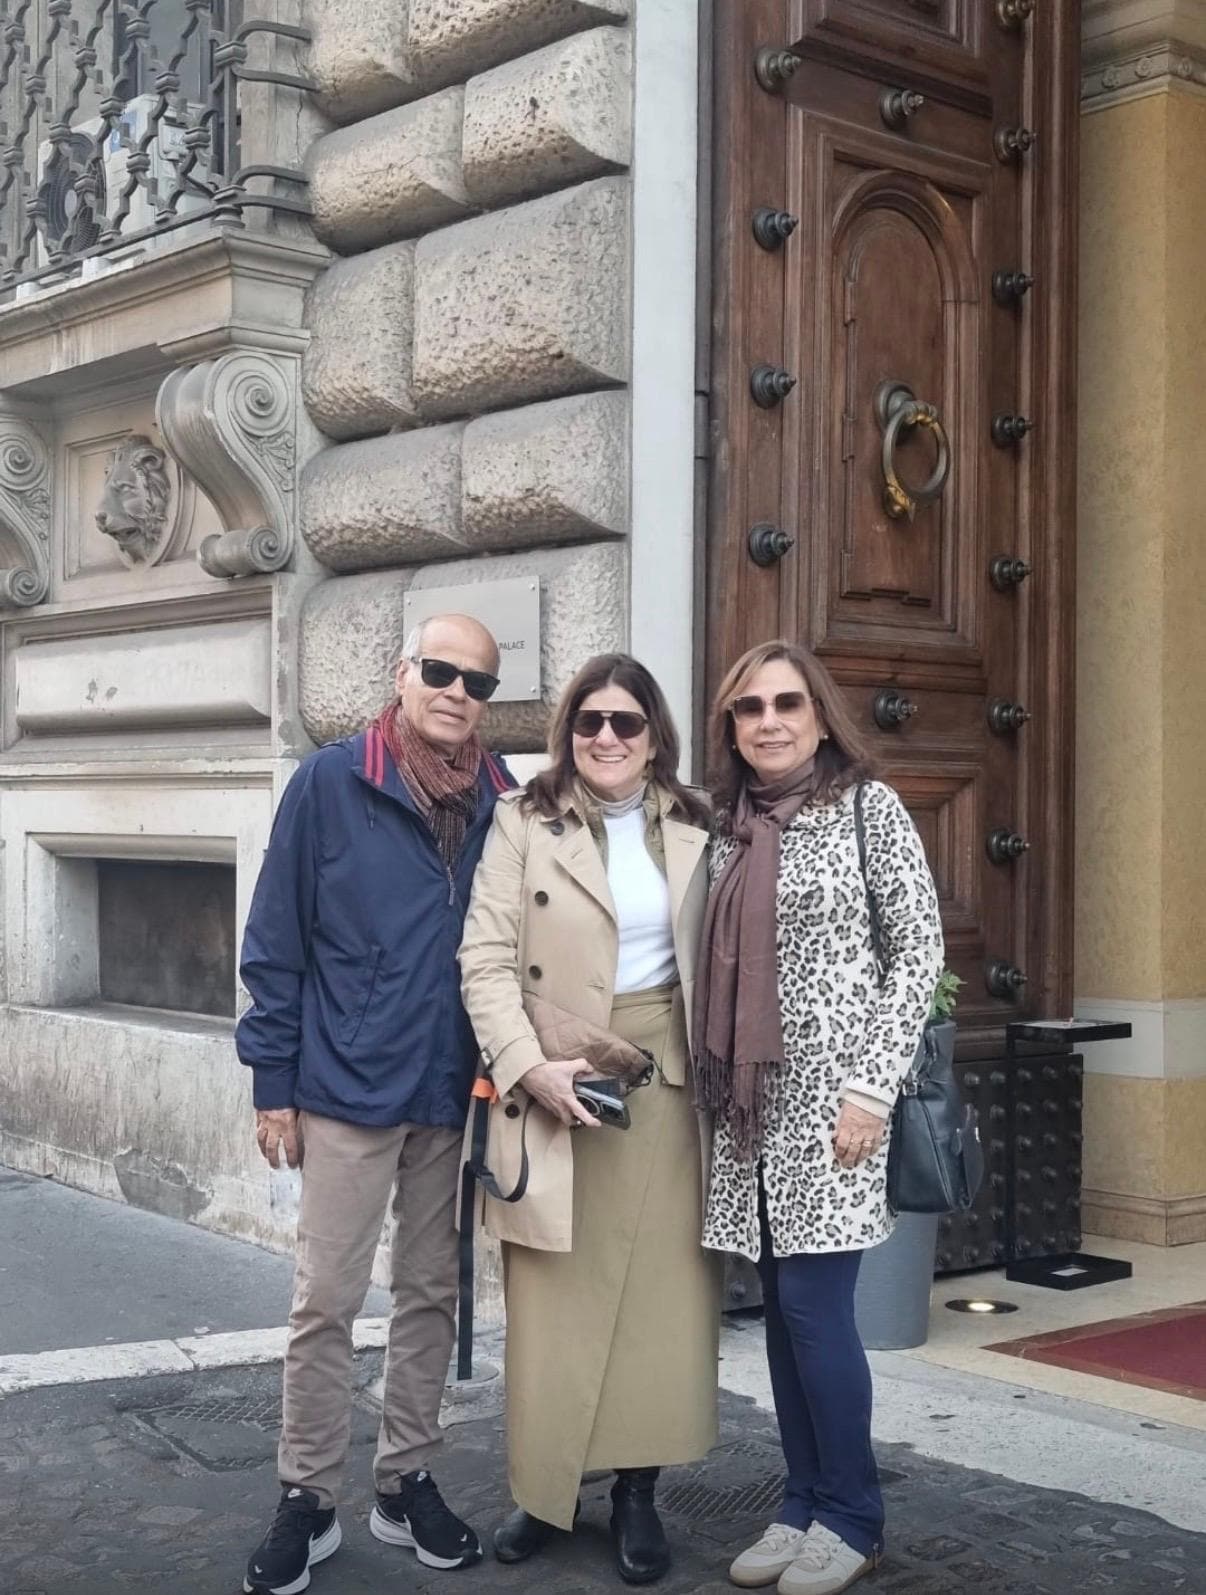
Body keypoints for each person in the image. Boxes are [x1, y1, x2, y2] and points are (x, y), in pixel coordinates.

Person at [236, 614, 512, 1595]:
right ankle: (307, 1495)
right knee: (327, 1299)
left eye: (477, 681)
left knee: (432, 1291)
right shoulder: (331, 781)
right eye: (440, 670)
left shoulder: (502, 796)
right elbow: (275, 939)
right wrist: (273, 1085)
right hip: (345, 1083)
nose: (456, 691)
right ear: (402, 672)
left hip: (447, 1086)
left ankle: (404, 1480)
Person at [458, 653, 721, 1586]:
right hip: (555, 1073)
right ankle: (543, 1491)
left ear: (655, 736)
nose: (606, 737)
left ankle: (638, 1493)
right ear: (568, 731)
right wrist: (528, 1067)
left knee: (657, 1302)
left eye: (626, 722)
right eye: (589, 721)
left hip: (666, 1083)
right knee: (552, 1300)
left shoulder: (698, 822)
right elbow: (484, 960)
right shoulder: (522, 819)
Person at [696, 640, 943, 1595]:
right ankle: (801, 1499)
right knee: (782, 1312)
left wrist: (871, 1089)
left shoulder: (867, 808)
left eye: (787, 702)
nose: (769, 720)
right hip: (750, 1109)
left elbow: (916, 951)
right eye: (750, 707)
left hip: (837, 1109)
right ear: (731, 727)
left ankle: (852, 1514)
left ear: (820, 714)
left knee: (814, 1309)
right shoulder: (729, 827)